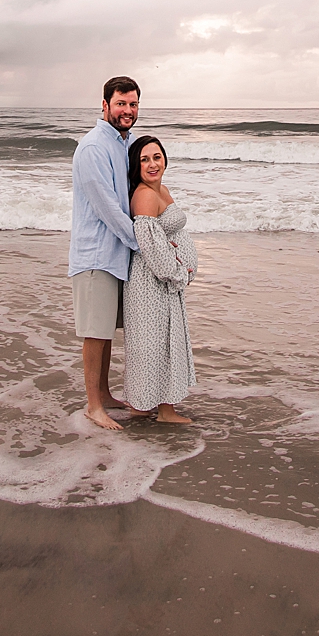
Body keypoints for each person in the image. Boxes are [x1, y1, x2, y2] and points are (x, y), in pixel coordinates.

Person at [69, 76, 141, 430]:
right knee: (95, 332)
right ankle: (93, 406)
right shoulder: (95, 146)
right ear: (104, 105)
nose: (127, 110)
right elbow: (108, 208)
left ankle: (106, 394)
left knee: (106, 330)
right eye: (121, 104)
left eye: (132, 104)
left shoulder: (122, 144)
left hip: (115, 256)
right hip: (95, 255)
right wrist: (142, 242)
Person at [122, 134, 197, 424]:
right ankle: (162, 410)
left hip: (163, 284)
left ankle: (146, 406)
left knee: (161, 341)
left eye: (156, 157)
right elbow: (150, 247)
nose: (152, 164)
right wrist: (178, 273)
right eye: (144, 160)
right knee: (154, 344)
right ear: (135, 166)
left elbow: (165, 237)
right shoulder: (144, 195)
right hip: (151, 281)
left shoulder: (161, 188)